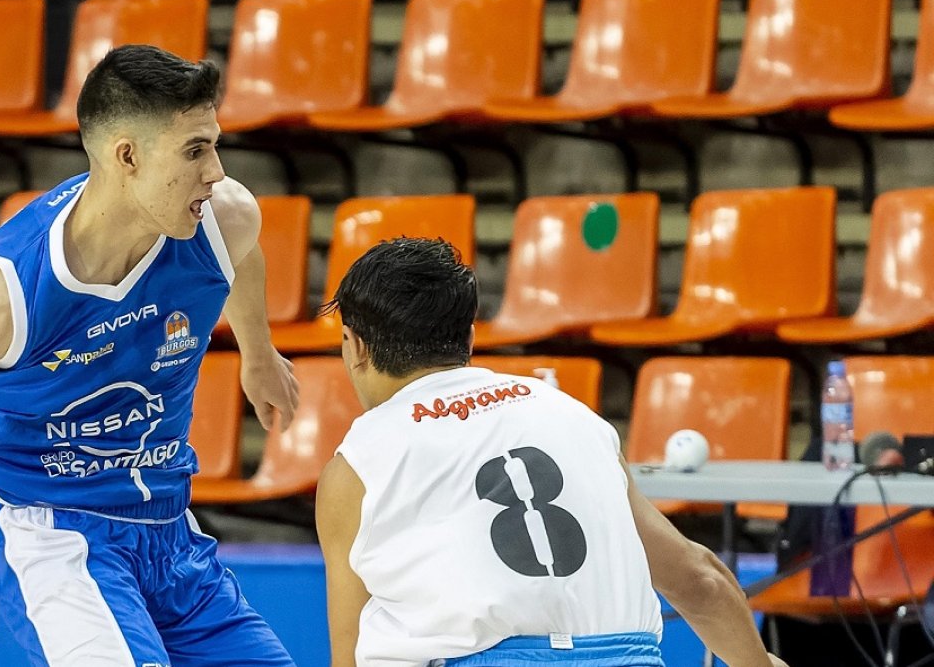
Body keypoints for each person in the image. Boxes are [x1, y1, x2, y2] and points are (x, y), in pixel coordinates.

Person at [0, 45, 300, 666]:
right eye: (194, 151)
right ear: (127, 156)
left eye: (214, 146)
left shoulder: (222, 218)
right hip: (59, 539)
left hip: (174, 537)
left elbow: (243, 255)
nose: (216, 171)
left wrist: (258, 354)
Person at [315, 237, 788, 667]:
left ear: (355, 346)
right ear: (470, 338)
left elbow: (349, 658)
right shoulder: (575, 415)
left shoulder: (357, 466)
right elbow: (699, 579)